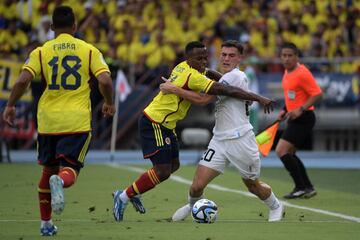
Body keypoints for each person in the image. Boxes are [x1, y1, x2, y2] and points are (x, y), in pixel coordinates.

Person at [112, 41, 275, 222]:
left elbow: (215, 78)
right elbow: (211, 94)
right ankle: (124, 196)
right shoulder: (193, 76)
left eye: (206, 57)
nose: (204, 62)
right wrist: (259, 98)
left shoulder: (184, 67)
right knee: (163, 171)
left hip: (171, 125)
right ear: (188, 58)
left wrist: (175, 88)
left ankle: (135, 192)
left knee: (174, 166)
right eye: (199, 58)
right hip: (155, 122)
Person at [2, 6, 115, 236]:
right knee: (69, 171)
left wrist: (11, 105)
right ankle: (60, 183)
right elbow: (105, 80)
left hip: (48, 121)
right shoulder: (89, 50)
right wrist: (109, 102)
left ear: (51, 28)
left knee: (47, 171)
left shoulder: (41, 51)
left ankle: (45, 224)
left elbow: (23, 79)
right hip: (76, 121)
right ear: (75, 26)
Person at [160, 40, 284, 222]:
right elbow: (221, 81)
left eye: (231, 55)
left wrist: (174, 89)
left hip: (241, 139)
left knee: (252, 185)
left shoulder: (236, 76)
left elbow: (202, 100)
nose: (226, 58)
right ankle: (193, 206)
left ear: (240, 58)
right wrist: (208, 71)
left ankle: (276, 205)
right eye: (223, 54)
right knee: (196, 186)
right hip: (219, 140)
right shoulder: (228, 77)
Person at [275, 42, 322, 199]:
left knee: (281, 150)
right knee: (290, 153)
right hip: (294, 117)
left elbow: (317, 94)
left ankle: (301, 187)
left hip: (305, 118)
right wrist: (284, 110)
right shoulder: (287, 72)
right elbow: (292, 96)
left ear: (296, 57)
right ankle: (307, 187)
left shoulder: (302, 72)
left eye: (290, 55)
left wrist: (300, 109)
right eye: (284, 55)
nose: (287, 59)